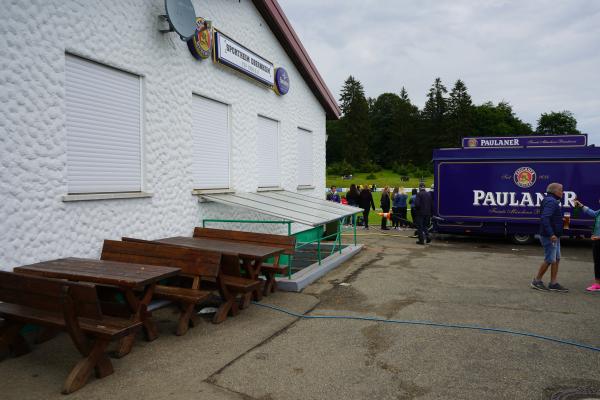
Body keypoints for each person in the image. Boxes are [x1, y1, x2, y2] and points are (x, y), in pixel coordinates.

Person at [531, 183, 568, 292]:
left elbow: (550, 217)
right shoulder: (551, 201)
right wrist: (551, 234)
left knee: (556, 259)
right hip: (550, 236)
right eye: (561, 190)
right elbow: (545, 218)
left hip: (554, 236)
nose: (563, 192)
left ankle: (553, 283)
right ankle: (536, 281)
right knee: (549, 259)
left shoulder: (552, 200)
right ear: (555, 191)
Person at [574, 199, 600, 291]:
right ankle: (597, 284)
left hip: (598, 239)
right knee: (597, 263)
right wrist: (581, 206)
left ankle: (597, 284)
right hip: (596, 240)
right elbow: (592, 213)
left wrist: (598, 237)